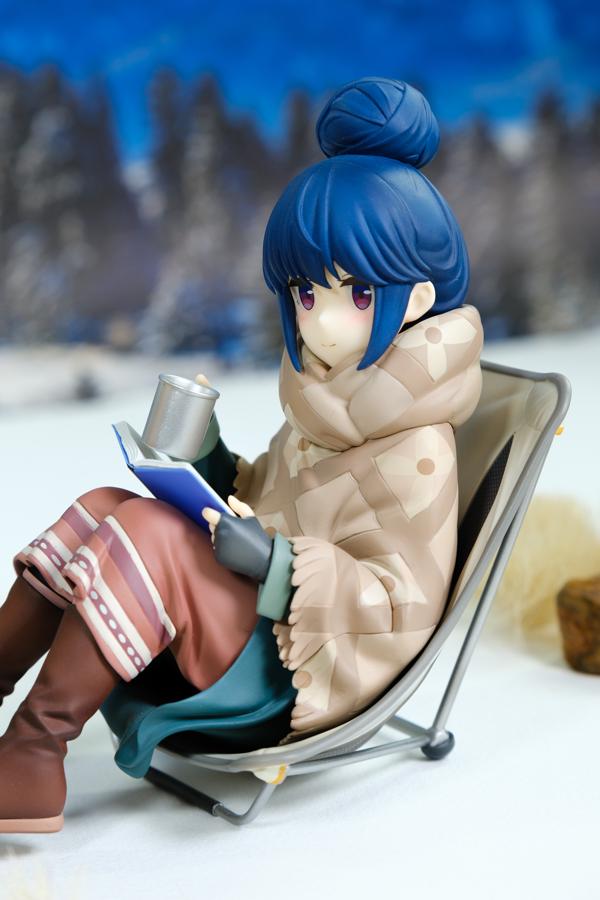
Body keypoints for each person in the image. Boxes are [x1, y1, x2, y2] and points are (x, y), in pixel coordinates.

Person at [0, 76, 484, 834]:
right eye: (304, 293)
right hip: (254, 617)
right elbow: (266, 498)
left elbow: (400, 603)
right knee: (105, 508)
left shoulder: (417, 447)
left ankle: (33, 753)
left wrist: (279, 566)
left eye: (357, 295)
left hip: (305, 664)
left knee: (151, 534)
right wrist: (206, 459)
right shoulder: (335, 400)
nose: (318, 321)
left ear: (416, 298)